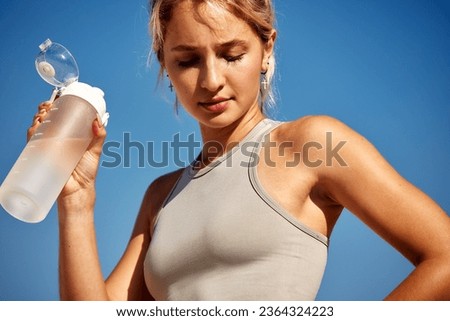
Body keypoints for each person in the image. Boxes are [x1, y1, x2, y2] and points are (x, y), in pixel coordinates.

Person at [29, 0, 450, 300]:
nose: (211, 79)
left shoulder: (310, 144)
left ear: (266, 50)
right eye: (188, 60)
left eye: (232, 54)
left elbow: (444, 256)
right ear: (165, 64)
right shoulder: (161, 196)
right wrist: (77, 200)